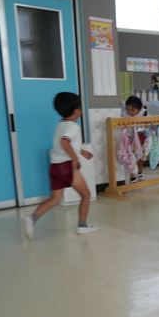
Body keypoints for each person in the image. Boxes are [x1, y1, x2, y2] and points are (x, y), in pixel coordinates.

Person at [22, 92, 98, 239]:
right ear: (76, 110)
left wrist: (81, 152)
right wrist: (75, 159)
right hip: (67, 167)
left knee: (55, 199)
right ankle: (82, 225)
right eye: (80, 107)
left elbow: (63, 145)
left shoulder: (60, 125)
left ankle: (32, 219)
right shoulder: (73, 127)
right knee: (86, 195)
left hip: (55, 167)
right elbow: (65, 142)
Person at [122, 96, 148, 183]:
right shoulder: (124, 114)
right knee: (130, 156)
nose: (130, 112)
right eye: (128, 109)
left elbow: (147, 126)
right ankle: (132, 175)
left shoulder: (143, 114)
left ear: (139, 109)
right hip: (129, 137)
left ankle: (140, 172)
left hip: (140, 136)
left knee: (140, 155)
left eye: (132, 110)